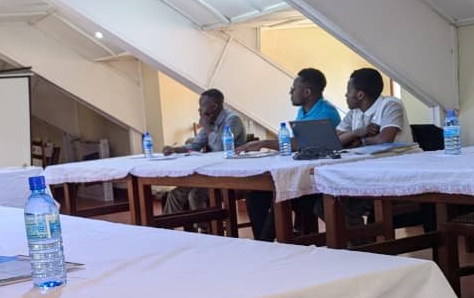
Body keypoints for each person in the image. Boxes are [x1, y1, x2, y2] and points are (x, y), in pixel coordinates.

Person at [235, 69, 341, 240]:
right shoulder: (304, 111)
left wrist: (262, 143)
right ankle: (263, 242)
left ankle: (265, 244)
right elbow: (298, 143)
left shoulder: (326, 112)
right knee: (255, 195)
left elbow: (300, 143)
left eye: (294, 88)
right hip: (301, 171)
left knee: (281, 190)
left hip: (317, 178)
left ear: (307, 92)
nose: (290, 92)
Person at [316, 67, 413, 231]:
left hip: (393, 176)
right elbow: (333, 141)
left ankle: (363, 243)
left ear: (360, 95)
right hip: (365, 175)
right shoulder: (354, 112)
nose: (345, 95)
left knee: (342, 206)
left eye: (348, 91)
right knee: (322, 205)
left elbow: (384, 140)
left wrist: (360, 140)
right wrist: (357, 132)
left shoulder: (390, 104)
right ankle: (360, 242)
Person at [161, 88, 246, 216]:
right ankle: (166, 227)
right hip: (210, 172)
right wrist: (175, 149)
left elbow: (222, 148)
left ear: (214, 106)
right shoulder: (210, 120)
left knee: (196, 194)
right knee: (175, 194)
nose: (199, 109)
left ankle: (204, 227)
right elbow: (195, 145)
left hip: (229, 175)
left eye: (202, 105)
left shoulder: (233, 120)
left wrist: (206, 126)